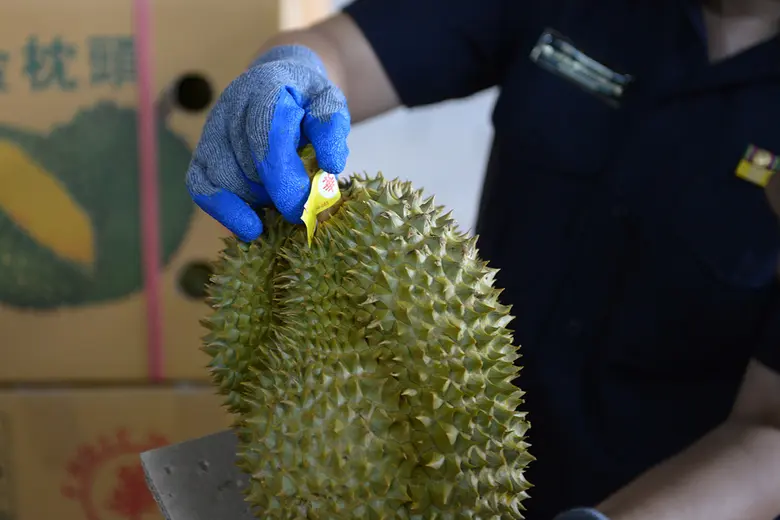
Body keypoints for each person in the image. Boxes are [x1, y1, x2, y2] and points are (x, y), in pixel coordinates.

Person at [185, 0, 780, 518]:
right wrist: (291, 72)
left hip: (680, 497)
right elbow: (344, 48)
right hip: (421, 454)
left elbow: (770, 429)